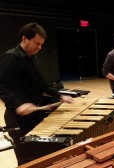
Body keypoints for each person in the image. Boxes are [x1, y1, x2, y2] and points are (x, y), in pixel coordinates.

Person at [0, 22, 75, 165]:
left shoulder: (33, 58)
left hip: (34, 114)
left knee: (41, 155)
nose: (40, 47)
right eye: (37, 43)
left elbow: (41, 84)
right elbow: (1, 85)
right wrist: (18, 105)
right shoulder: (11, 57)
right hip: (17, 119)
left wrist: (59, 95)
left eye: (42, 44)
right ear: (24, 39)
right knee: (26, 159)